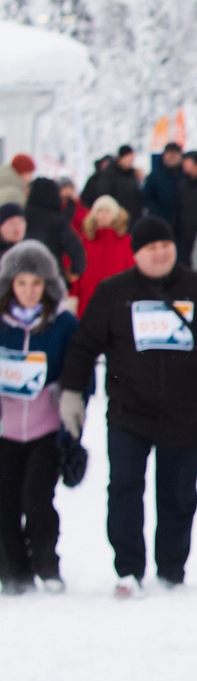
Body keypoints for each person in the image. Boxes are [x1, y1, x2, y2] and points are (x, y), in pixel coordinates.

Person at [61, 212, 197, 595]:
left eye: (165, 246)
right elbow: (83, 346)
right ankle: (128, 568)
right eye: (150, 248)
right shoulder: (113, 292)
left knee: (178, 494)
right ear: (136, 253)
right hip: (129, 411)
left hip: (184, 411)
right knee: (125, 489)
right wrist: (73, 393)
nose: (160, 254)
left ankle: (171, 568)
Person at [0, 239, 80, 592]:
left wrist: (64, 402)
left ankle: (47, 565)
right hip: (4, 428)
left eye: (36, 283)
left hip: (45, 427)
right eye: (21, 283)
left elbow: (75, 371)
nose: (29, 292)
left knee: (37, 500)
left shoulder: (62, 323)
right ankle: (13, 570)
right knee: (4, 502)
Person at [26, 179, 85, 288]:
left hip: (22, 275)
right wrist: (75, 270)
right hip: (51, 275)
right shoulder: (59, 221)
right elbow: (76, 248)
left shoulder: (22, 217)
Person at [142, 143, 187, 233]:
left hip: (184, 224)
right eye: (169, 155)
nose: (172, 157)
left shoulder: (186, 175)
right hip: (161, 222)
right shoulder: (155, 176)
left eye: (175, 155)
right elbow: (147, 197)